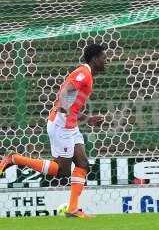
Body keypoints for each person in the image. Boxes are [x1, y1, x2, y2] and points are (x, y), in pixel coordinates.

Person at [0, 43, 107, 218]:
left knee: (82, 164)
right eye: (103, 58)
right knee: (62, 170)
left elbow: (69, 105)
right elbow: (65, 92)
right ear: (94, 59)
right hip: (62, 126)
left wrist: (88, 119)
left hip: (70, 125)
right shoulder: (84, 74)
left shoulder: (86, 74)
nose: (106, 61)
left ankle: (72, 209)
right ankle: (14, 158)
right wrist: (64, 107)